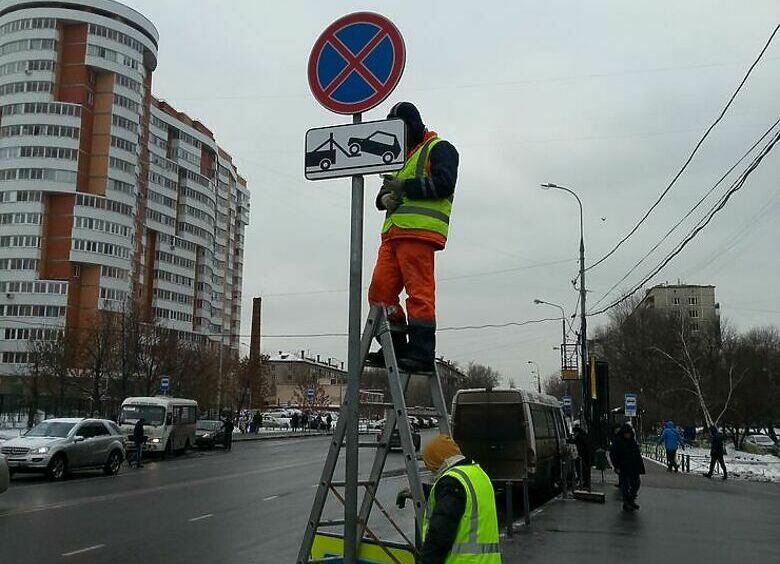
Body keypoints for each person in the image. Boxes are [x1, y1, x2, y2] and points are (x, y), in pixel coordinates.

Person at [365, 102, 460, 373]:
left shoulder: (440, 148)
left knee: (419, 293)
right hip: (392, 236)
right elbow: (381, 197)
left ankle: (421, 354)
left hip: (419, 234)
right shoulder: (400, 156)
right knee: (379, 291)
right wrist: (385, 198)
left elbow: (444, 183)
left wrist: (404, 187)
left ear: (412, 126)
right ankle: (394, 347)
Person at [417, 434, 501, 563]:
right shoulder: (477, 473)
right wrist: (425, 491)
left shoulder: (451, 482)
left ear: (436, 461)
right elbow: (464, 502)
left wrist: (426, 560)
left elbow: (440, 532)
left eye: (430, 466)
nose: (432, 471)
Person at [610, 423, 646, 512]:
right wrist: (616, 466)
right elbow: (614, 455)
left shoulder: (632, 442)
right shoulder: (618, 442)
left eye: (629, 433)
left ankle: (631, 500)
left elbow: (637, 455)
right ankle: (626, 502)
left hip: (633, 467)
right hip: (623, 467)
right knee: (625, 486)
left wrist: (640, 467)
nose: (627, 435)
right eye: (626, 433)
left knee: (636, 484)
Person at [573, 422, 591, 490]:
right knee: (584, 470)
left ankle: (584, 483)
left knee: (581, 470)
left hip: (582, 457)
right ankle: (585, 483)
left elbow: (581, 448)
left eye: (574, 432)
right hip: (584, 456)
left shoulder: (579, 438)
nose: (574, 434)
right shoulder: (583, 436)